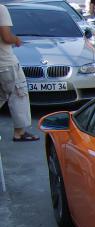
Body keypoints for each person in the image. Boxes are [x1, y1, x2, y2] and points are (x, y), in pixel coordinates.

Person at [0, 4, 38, 142]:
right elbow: (6, 36)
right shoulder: (1, 9)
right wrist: (16, 40)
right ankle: (20, 133)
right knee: (18, 94)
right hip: (5, 63)